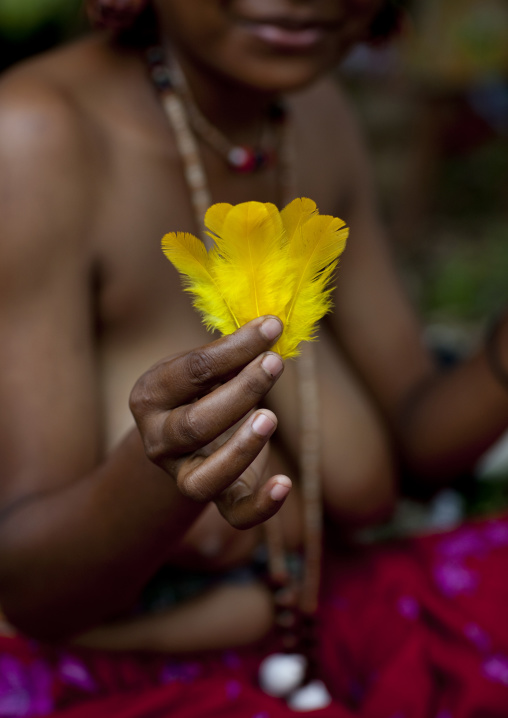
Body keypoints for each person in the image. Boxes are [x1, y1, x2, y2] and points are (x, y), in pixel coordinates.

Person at [0, 0, 507, 715]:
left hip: (328, 636)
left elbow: (419, 448)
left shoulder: (311, 115)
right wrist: (164, 470)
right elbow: (29, 594)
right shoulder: (33, 140)